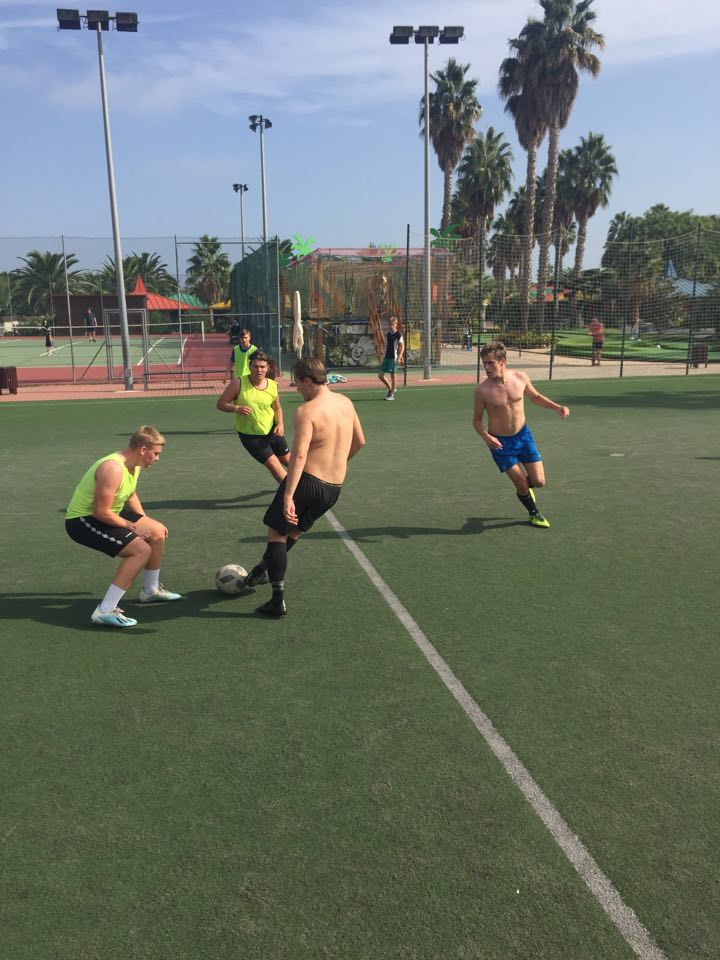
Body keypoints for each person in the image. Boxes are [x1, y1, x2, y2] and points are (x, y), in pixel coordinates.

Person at [244, 357, 365, 617]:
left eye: (297, 384)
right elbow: (360, 442)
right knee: (293, 532)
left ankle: (277, 601)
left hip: (308, 482)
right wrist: (338, 462)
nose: (296, 388)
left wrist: (288, 495)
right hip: (333, 488)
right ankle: (261, 571)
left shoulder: (306, 411)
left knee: (277, 533)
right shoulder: (346, 402)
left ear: (308, 381)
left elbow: (298, 456)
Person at [65, 425, 182, 628]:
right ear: (143, 449)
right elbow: (100, 512)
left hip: (110, 513)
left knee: (157, 532)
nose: (157, 458)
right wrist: (132, 527)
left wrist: (146, 522)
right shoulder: (113, 468)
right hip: (83, 520)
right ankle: (105, 610)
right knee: (140, 551)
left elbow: (130, 495)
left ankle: (150, 591)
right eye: (155, 454)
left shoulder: (134, 465)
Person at [473, 341, 569, 529]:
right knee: (520, 482)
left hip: (523, 437)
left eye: (490, 363)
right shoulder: (482, 390)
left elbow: (536, 397)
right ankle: (534, 514)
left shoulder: (520, 378)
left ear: (502, 361)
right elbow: (476, 420)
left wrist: (557, 407)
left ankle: (525, 489)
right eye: (484, 363)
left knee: (539, 482)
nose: (486, 368)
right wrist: (486, 437)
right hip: (500, 444)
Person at [216, 351, 290, 482]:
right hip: (251, 436)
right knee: (274, 465)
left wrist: (280, 424)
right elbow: (221, 404)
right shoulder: (238, 384)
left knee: (289, 461)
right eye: (255, 366)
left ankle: (308, 485)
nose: (259, 370)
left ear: (267, 368)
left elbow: (277, 408)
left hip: (272, 430)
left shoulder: (272, 385)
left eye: (262, 367)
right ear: (250, 367)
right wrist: (236, 408)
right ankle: (295, 492)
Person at [378, 316, 404, 400]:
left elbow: (402, 346)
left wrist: (400, 356)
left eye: (393, 325)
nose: (391, 326)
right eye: (390, 324)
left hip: (394, 358)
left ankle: (391, 395)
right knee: (380, 375)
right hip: (386, 357)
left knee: (393, 377)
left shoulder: (398, 334)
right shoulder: (388, 334)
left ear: (396, 324)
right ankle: (391, 388)